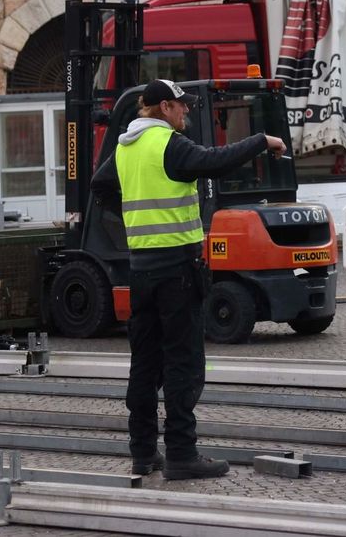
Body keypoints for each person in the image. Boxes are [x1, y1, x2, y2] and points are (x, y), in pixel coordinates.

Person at [91, 78, 288, 479]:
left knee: (145, 364)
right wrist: (261, 141)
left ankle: (143, 453)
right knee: (184, 363)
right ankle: (182, 454)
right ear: (164, 107)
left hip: (141, 269)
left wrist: (133, 218)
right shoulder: (168, 143)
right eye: (182, 105)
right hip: (177, 271)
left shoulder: (126, 147)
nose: (186, 111)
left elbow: (100, 185)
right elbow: (216, 160)